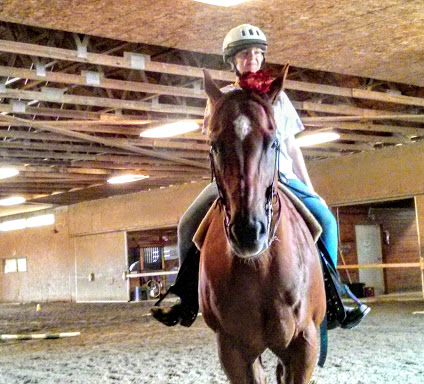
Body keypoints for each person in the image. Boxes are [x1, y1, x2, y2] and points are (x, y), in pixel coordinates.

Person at [151, 24, 370, 329]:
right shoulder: (221, 98)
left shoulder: (278, 97)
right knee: (188, 223)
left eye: (256, 53)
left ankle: (335, 299)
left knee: (327, 222)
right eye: (244, 53)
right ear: (233, 61)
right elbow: (215, 141)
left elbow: (291, 145)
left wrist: (309, 187)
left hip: (279, 177)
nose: (251, 58)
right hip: (232, 179)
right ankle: (185, 299)